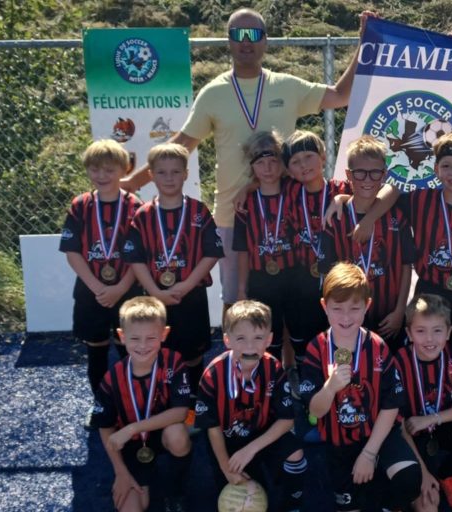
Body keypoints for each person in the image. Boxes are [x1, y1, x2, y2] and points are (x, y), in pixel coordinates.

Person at [121, 7, 372, 327]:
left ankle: (285, 359)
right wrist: (130, 183)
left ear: (265, 40)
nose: (246, 41)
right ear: (228, 41)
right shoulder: (213, 93)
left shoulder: (287, 86)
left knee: (288, 302)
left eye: (253, 34)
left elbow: (340, 95)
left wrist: (364, 42)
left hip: (288, 215)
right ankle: (234, 357)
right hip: (232, 214)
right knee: (234, 299)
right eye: (238, 34)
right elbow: (180, 145)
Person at [335, 132, 452, 399]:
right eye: (446, 166)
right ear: (436, 170)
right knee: (423, 352)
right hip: (428, 293)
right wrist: (350, 206)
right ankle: (425, 404)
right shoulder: (422, 200)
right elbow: (389, 192)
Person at [300, 262, 422, 511]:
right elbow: (315, 410)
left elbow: (391, 406)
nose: (346, 318)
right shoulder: (316, 349)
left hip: (378, 436)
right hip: (339, 445)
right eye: (337, 309)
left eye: (354, 308)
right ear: (324, 306)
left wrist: (369, 453)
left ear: (367, 306)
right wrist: (330, 388)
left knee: (409, 478)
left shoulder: (378, 347)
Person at [123, 143, 224, 397]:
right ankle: (160, 397)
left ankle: (194, 401)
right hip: (154, 299)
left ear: (186, 174)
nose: (169, 178)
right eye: (162, 172)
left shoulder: (198, 212)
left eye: (176, 172)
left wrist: (186, 285)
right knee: (156, 349)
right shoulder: (143, 215)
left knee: (192, 354)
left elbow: (212, 252)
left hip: (191, 294)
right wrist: (155, 292)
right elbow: (135, 259)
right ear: (151, 175)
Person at [59, 139, 143, 428]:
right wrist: (98, 287)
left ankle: (134, 402)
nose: (102, 175)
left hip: (128, 292)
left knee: (131, 348)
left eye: (109, 169)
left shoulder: (135, 206)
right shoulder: (80, 206)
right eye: (95, 169)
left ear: (123, 169)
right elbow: (72, 252)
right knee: (96, 350)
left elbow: (140, 256)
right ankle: (101, 404)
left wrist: (119, 288)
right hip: (90, 291)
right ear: (87, 170)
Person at [195, 300, 306, 511]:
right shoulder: (212, 375)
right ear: (227, 340)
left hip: (262, 437)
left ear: (269, 339)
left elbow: (286, 420)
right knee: (236, 496)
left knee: (296, 455)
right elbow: (212, 428)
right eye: (241, 338)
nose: (250, 347)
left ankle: (292, 504)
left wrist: (251, 449)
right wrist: (225, 466)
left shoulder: (274, 369)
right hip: (227, 442)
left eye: (258, 338)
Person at [91, 296, 192, 512]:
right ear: (122, 336)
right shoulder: (112, 378)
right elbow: (105, 427)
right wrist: (120, 472)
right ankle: (139, 476)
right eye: (135, 338)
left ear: (164, 334)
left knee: (178, 435)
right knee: (131, 507)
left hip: (159, 432)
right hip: (131, 444)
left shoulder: (173, 362)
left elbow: (180, 412)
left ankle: (176, 491)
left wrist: (132, 428)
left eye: (151, 338)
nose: (143, 346)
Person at [318, 135, 416, 351]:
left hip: (388, 316)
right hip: (347, 318)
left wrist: (400, 311)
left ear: (384, 174)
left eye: (375, 173)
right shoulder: (335, 219)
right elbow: (327, 274)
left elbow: (406, 266)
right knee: (349, 365)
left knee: (387, 366)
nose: (367, 180)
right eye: (360, 173)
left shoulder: (397, 217)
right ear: (348, 175)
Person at [393, 294, 452, 512]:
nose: (429, 339)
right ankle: (420, 477)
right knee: (429, 506)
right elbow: (396, 423)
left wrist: (431, 418)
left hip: (439, 424)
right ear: (409, 333)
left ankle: (447, 474)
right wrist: (423, 473)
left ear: (448, 332)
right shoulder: (398, 362)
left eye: (437, 331)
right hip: (410, 434)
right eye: (420, 331)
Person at [282, 130, 351, 365]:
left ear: (323, 156)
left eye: (309, 157)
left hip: (336, 277)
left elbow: (384, 192)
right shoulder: (289, 190)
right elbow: (260, 182)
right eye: (295, 162)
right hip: (301, 277)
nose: (303, 165)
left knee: (338, 334)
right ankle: (305, 376)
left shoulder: (342, 189)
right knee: (303, 334)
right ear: (288, 170)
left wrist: (343, 199)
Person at [233, 131, 296, 360]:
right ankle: (271, 373)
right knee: (269, 332)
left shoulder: (294, 192)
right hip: (261, 279)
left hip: (294, 274)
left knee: (298, 329)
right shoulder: (244, 203)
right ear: (252, 166)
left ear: (282, 163)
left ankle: (296, 371)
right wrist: (242, 289)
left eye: (273, 161)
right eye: (260, 163)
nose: (267, 169)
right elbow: (242, 250)